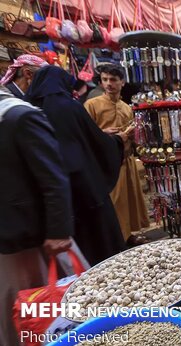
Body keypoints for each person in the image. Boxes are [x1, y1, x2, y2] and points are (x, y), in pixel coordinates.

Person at [25, 66, 128, 265]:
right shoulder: (71, 106)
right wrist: (117, 141)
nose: (109, 84)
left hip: (54, 194)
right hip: (86, 187)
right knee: (100, 243)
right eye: (105, 79)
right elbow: (95, 141)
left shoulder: (30, 110)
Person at [0, 87, 73, 346]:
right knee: (21, 305)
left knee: (44, 299)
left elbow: (53, 178)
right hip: (10, 235)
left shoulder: (20, 117)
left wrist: (58, 230)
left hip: (31, 236)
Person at [84, 64, 150, 242]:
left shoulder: (126, 107)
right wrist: (104, 133)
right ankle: (114, 238)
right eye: (104, 80)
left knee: (129, 200)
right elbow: (84, 134)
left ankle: (128, 235)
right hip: (105, 163)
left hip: (125, 160)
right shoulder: (92, 105)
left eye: (113, 80)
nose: (108, 84)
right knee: (113, 201)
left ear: (122, 82)